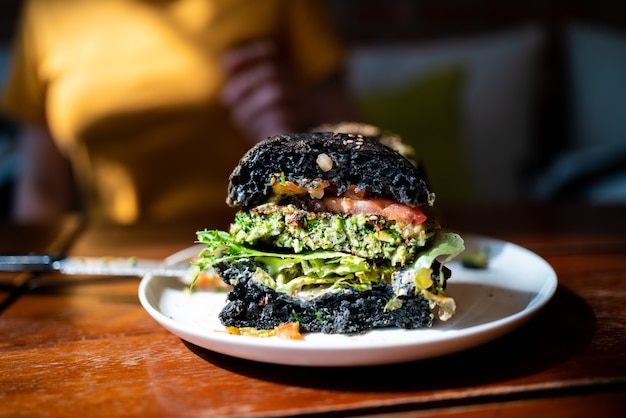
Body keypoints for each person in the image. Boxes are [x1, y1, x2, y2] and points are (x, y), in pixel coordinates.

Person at [0, 0, 357, 224]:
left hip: (266, 244)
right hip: (106, 260)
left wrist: (296, 136)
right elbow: (43, 185)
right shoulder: (49, 9)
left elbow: (358, 144)